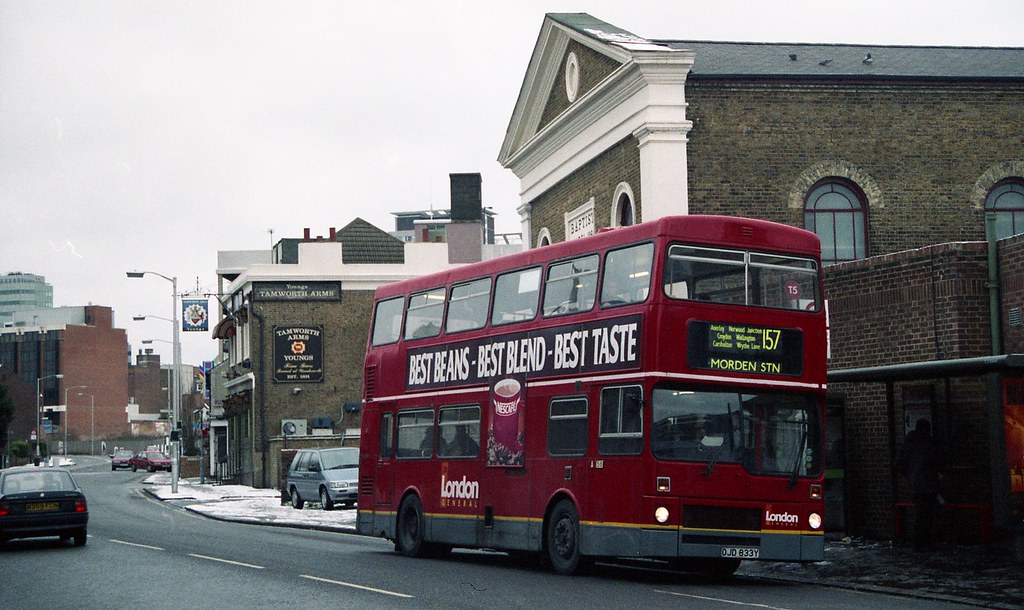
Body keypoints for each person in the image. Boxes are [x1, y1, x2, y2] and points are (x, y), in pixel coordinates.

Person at [898, 418, 944, 551]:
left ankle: (920, 542)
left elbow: (900, 463)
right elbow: (937, 460)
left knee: (921, 512)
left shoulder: (909, 443)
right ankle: (924, 542)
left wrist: (908, 476)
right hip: (928, 482)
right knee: (926, 514)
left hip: (915, 482)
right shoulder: (928, 444)